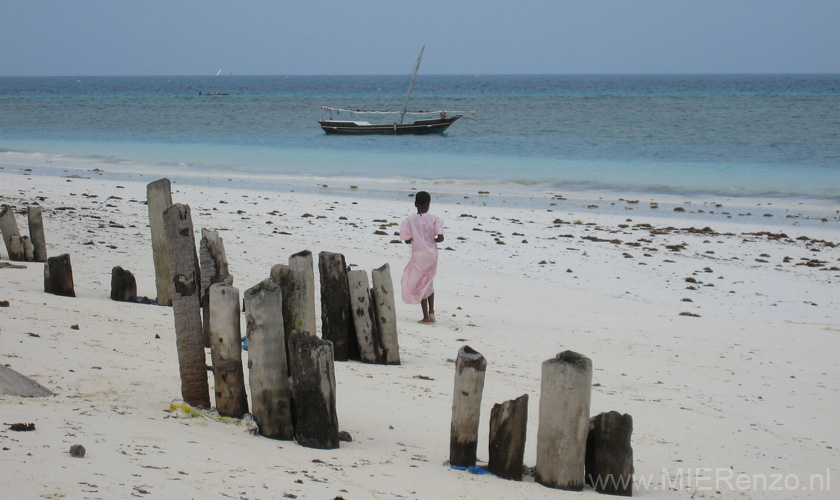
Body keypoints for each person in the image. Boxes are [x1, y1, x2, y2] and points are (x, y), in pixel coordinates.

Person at [400, 191, 444, 324]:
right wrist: (431, 239)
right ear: (428, 204)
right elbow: (440, 237)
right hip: (431, 254)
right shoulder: (435, 219)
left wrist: (416, 238)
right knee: (429, 281)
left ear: (415, 204)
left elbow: (406, 240)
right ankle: (432, 312)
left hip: (418, 255)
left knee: (421, 284)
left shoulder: (409, 220)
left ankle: (425, 316)